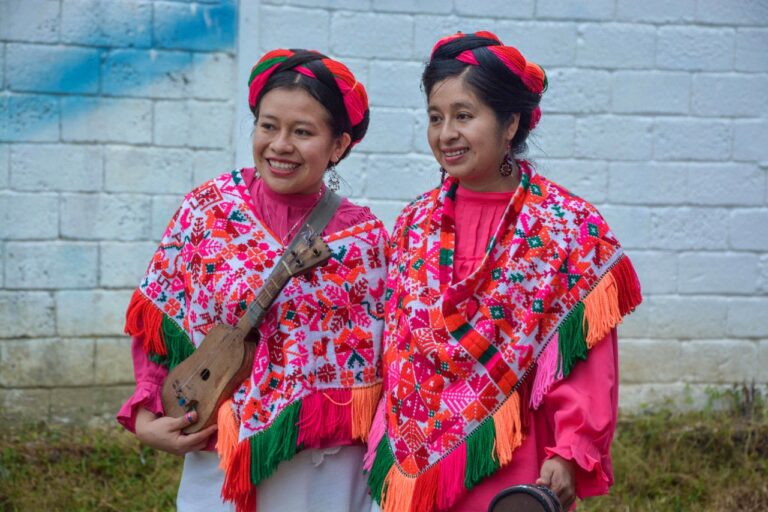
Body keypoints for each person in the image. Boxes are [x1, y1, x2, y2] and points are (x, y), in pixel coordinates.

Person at [364, 31, 642, 512]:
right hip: (415, 457)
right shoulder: (414, 223)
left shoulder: (565, 227)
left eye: (464, 116)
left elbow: (584, 355)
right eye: (435, 117)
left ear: (510, 123)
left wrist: (571, 451)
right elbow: (398, 346)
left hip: (514, 454)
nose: (446, 133)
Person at [117, 48, 388, 512]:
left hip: (324, 469)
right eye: (268, 126)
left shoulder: (365, 240)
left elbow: (389, 356)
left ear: (338, 145)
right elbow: (164, 315)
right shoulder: (209, 210)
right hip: (218, 457)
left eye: (302, 132)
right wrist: (145, 413)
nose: (280, 145)